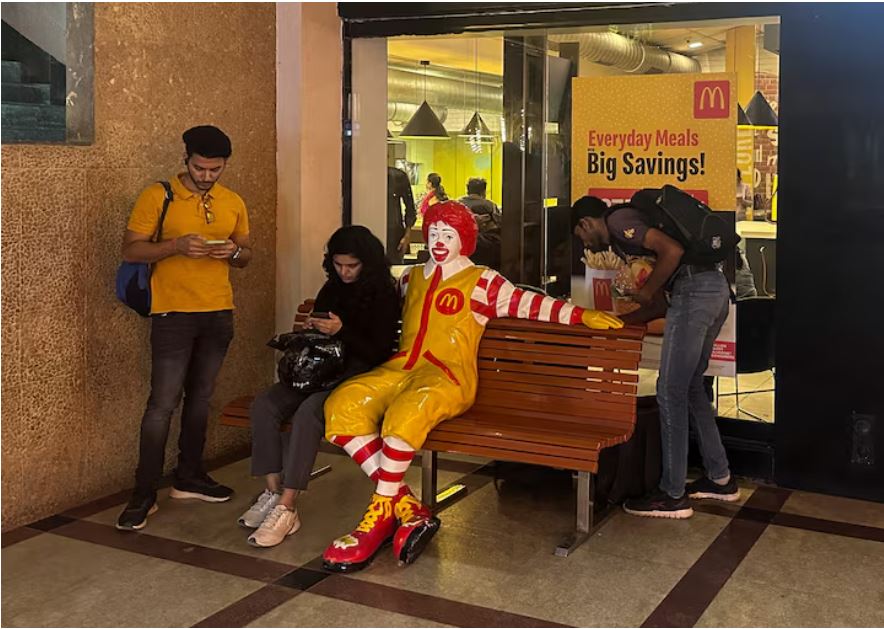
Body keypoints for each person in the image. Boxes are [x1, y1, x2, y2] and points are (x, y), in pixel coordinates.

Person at [320, 200, 622, 573]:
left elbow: (526, 303)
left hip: (446, 378)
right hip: (400, 370)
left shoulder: (481, 280)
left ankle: (380, 513)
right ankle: (406, 507)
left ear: (464, 239)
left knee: (405, 413)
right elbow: (372, 303)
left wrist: (581, 314)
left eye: (448, 235)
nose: (438, 241)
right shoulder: (410, 278)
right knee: (342, 403)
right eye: (433, 234)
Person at [116, 125, 252, 531]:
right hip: (172, 313)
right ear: (186, 159)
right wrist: (175, 246)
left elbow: (246, 255)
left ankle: (189, 476)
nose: (207, 175)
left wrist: (235, 252)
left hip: (218, 311)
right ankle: (144, 492)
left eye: (216, 169)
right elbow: (130, 249)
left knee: (202, 397)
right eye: (200, 167)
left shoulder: (233, 202)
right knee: (162, 404)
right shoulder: (159, 196)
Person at [571, 195, 740, 520]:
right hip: (712, 291)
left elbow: (672, 253)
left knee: (670, 391)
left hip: (695, 294)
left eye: (582, 237)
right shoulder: (626, 243)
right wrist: (624, 323)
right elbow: (662, 303)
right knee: (690, 388)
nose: (586, 245)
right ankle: (721, 478)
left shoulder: (618, 222)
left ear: (586, 224)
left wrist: (646, 292)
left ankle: (672, 494)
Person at [242, 226, 400, 548]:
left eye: (351, 266)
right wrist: (311, 329)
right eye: (339, 265)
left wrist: (343, 330)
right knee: (265, 405)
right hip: (321, 369)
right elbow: (318, 337)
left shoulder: (384, 292)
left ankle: (288, 506)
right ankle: (272, 492)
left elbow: (379, 351)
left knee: (308, 413)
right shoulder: (332, 287)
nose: (344, 272)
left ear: (366, 262)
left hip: (359, 373)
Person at [459, 177, 502, 269]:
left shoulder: (458, 204)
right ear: (483, 191)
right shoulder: (490, 205)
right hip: (486, 251)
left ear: (468, 190)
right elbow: (498, 224)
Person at [387, 166, 417, 263]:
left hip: (394, 232)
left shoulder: (398, 176)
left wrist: (407, 235)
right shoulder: (362, 173)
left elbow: (410, 206)